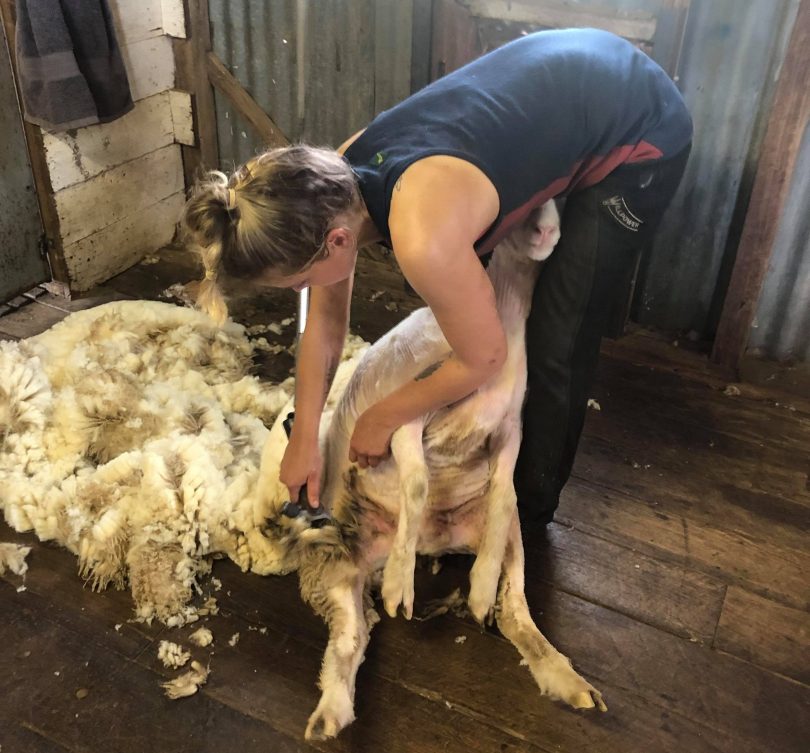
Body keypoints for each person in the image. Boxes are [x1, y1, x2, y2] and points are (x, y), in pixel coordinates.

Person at [181, 27, 692, 530]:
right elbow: (324, 326)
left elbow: (484, 356)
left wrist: (382, 417)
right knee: (485, 300)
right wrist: (304, 434)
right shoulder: (334, 180)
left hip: (640, 123)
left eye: (296, 281)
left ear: (336, 241)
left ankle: (529, 509)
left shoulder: (422, 237)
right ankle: (483, 457)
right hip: (569, 79)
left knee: (559, 333)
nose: (300, 292)